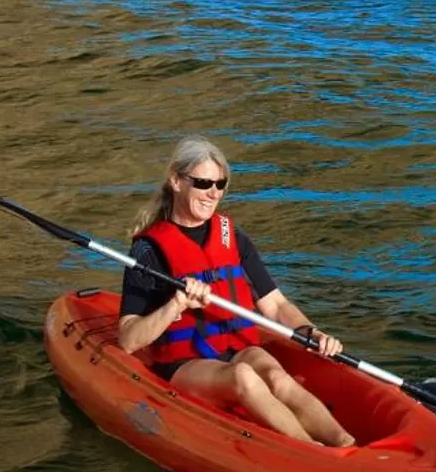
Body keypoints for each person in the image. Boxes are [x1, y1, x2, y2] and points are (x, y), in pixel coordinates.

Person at [117, 135, 354, 446]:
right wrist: (176, 304)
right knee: (242, 375)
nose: (213, 193)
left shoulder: (233, 237)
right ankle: (313, 453)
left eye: (220, 184)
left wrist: (312, 332)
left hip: (237, 347)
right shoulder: (149, 251)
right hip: (184, 363)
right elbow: (128, 339)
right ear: (176, 181)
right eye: (203, 183)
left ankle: (347, 445)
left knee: (277, 378)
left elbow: (276, 305)